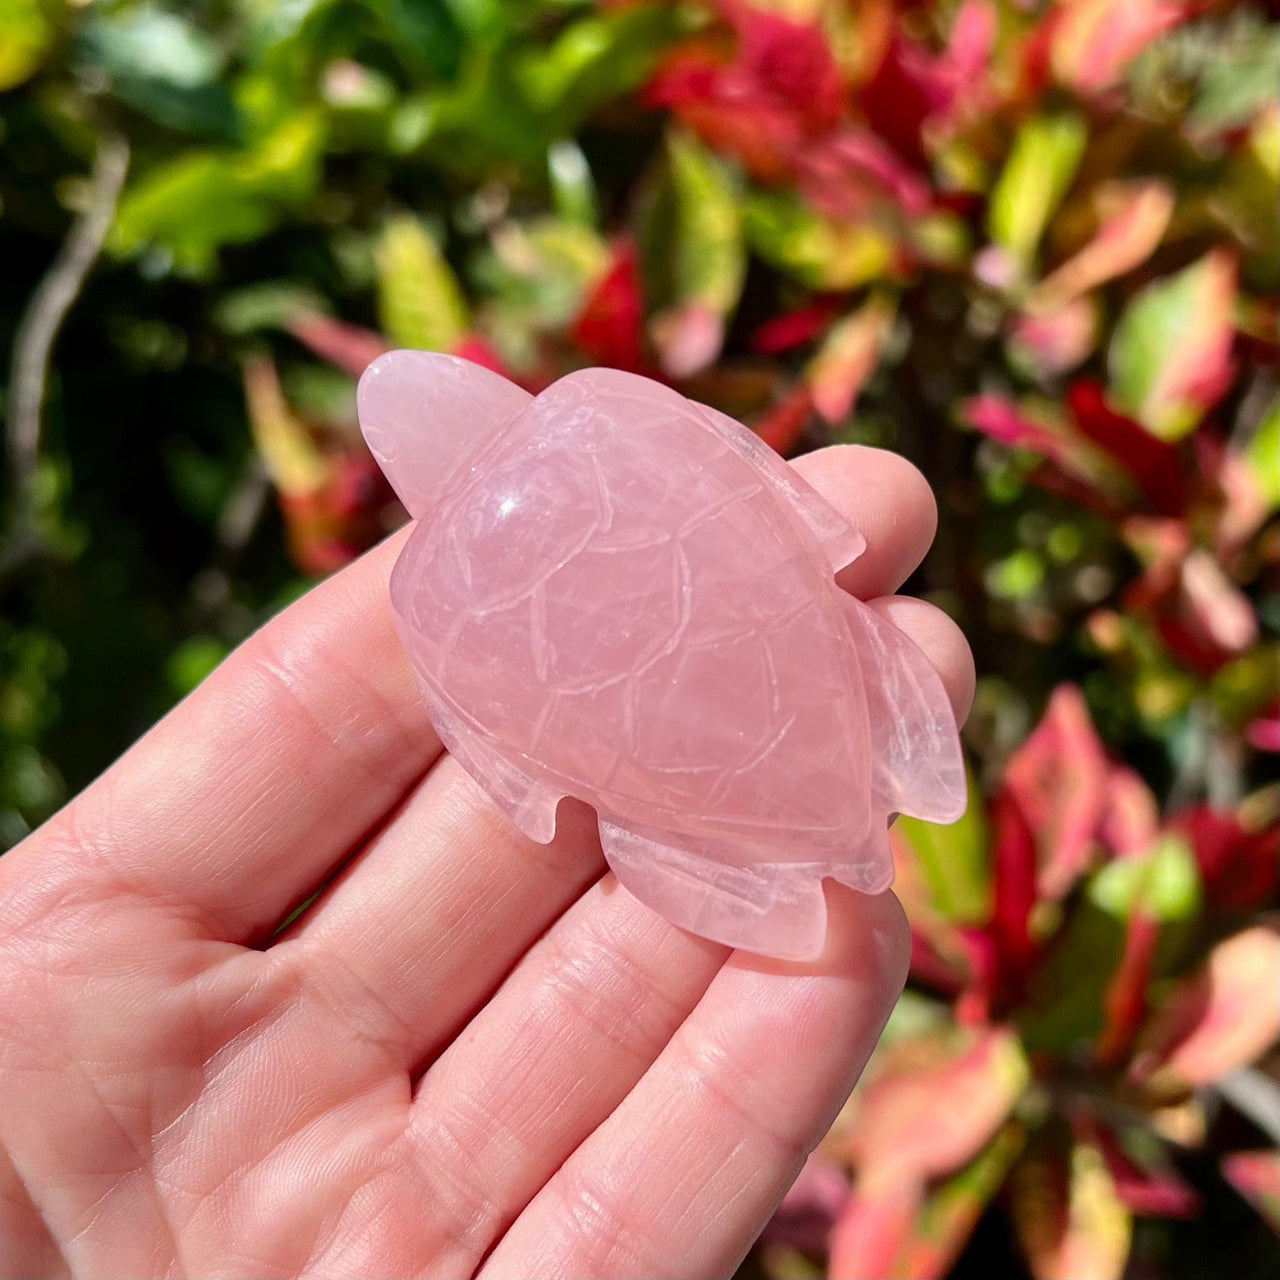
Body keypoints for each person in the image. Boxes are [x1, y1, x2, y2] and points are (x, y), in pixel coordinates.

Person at [0, 442, 973, 1279]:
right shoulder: (574, 446)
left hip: (692, 751)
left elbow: (522, 778)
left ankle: (832, 834)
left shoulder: (435, 597)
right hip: (747, 693)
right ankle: (867, 804)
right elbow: (764, 492)